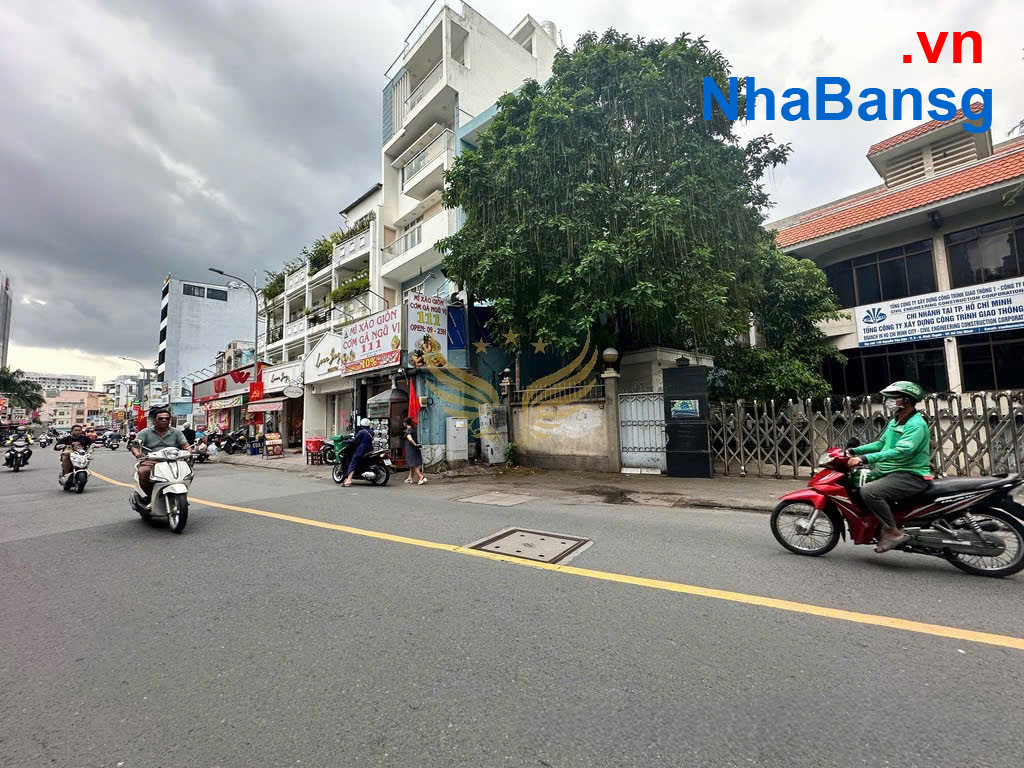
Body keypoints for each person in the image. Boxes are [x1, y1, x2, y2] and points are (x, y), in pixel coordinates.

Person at [847, 381, 932, 553]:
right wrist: (854, 451)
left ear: (906, 400)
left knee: (869, 491)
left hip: (910, 474)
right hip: (890, 472)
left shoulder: (916, 424)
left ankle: (892, 531)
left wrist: (864, 458)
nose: (888, 401)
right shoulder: (896, 420)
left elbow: (901, 451)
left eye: (893, 397)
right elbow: (881, 444)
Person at [130, 407, 191, 502]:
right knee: (143, 472)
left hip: (173, 460)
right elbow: (135, 446)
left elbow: (185, 445)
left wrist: (189, 451)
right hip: (152, 460)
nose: (164, 420)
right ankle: (150, 497)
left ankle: (182, 493)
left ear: (170, 420)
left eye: (167, 418)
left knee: (189, 472)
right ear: (154, 420)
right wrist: (138, 454)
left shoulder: (176, 432)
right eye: (161, 418)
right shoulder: (145, 432)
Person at [342, 418, 374, 487]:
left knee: (354, 461)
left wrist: (346, 441)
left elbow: (355, 441)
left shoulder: (361, 432)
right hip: (370, 448)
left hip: (362, 449)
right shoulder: (371, 432)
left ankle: (349, 480)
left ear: (362, 425)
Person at [402, 416, 426, 485]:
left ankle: (421, 477)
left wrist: (415, 444)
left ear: (405, 423)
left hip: (411, 449)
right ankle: (410, 478)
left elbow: (410, 439)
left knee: (412, 464)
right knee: (412, 464)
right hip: (414, 449)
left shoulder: (408, 430)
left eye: (403, 422)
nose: (403, 424)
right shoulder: (413, 429)